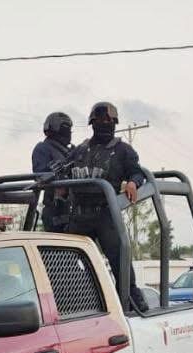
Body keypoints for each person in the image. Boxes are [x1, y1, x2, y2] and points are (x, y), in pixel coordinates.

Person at [63, 101, 146, 312]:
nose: (104, 123)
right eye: (100, 120)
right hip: (79, 216)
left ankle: (132, 303)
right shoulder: (79, 150)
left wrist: (133, 183)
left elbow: (137, 172)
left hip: (106, 215)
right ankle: (78, 302)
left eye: (108, 120)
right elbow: (62, 172)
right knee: (65, 261)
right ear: (92, 122)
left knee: (120, 260)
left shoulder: (123, 150)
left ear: (115, 122)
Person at [32, 111, 74, 233]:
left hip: (75, 209)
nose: (69, 133)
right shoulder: (43, 148)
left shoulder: (71, 152)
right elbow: (40, 175)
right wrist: (59, 182)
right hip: (56, 209)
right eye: (67, 129)